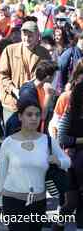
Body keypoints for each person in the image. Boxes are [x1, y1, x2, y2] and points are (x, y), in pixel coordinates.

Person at [0, 100, 70, 231]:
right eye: (29, 114)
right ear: (20, 116)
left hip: (38, 202)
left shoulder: (47, 140)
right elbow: (2, 173)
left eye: (37, 114)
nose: (34, 118)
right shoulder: (8, 143)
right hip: (12, 201)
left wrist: (58, 161)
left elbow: (67, 161)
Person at [0, 20, 51, 125]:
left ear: (37, 36)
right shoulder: (9, 50)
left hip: (34, 106)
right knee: (12, 138)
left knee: (31, 139)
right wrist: (14, 90)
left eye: (30, 35)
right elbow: (1, 74)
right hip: (12, 104)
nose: (26, 38)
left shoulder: (44, 53)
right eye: (24, 35)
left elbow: (49, 76)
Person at [57, 80, 83, 231]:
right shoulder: (70, 114)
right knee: (72, 202)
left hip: (75, 162)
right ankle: (58, 225)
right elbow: (61, 137)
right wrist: (80, 140)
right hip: (73, 161)